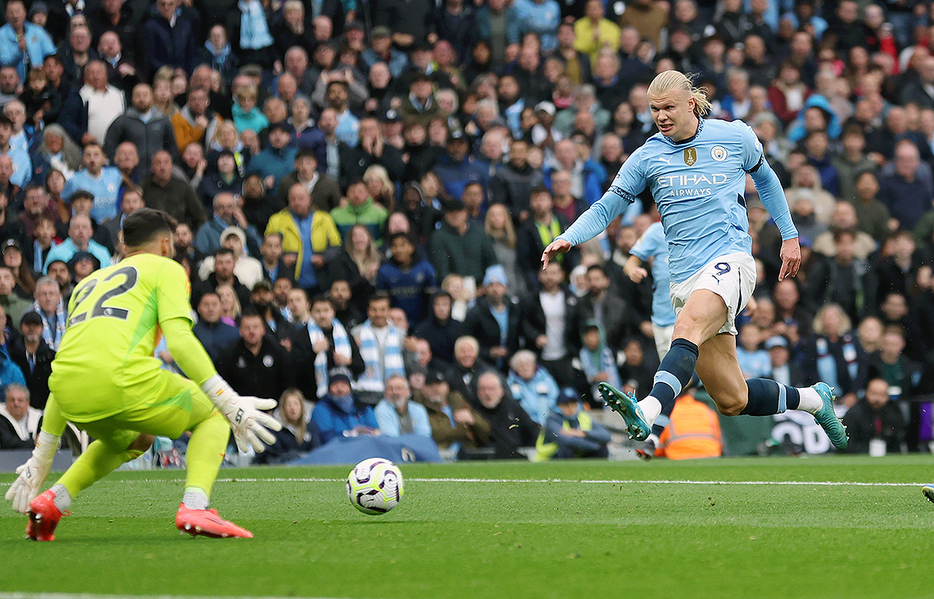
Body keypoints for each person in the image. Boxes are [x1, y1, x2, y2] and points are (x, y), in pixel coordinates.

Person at [541, 70, 848, 450]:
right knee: (733, 399)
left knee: (684, 327)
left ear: (691, 102)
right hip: (684, 279)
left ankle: (648, 410)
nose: (661, 116)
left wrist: (789, 235)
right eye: (655, 109)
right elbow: (606, 208)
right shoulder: (647, 156)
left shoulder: (734, 136)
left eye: (668, 107)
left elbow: (766, 180)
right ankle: (815, 399)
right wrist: (569, 236)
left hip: (730, 261)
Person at [4, 208, 281, 540]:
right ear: (165, 244)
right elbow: (179, 342)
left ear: (123, 244)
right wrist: (228, 400)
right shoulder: (167, 268)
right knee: (214, 414)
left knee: (138, 439)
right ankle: (195, 506)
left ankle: (53, 500)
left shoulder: (87, 283)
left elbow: (71, 364)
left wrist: (41, 455)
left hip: (67, 394)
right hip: (121, 381)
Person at [533, 387, 611, 461]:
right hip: (547, 459)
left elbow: (606, 435)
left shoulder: (582, 417)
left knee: (602, 450)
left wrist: (583, 433)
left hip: (577, 452)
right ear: (558, 406)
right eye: (566, 405)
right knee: (565, 449)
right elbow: (566, 440)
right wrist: (595, 446)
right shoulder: (552, 420)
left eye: (573, 404)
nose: (570, 408)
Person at [311, 367, 380, 443]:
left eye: (343, 385)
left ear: (350, 388)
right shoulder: (321, 409)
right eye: (335, 385)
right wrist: (351, 434)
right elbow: (326, 438)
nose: (339, 389)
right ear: (329, 389)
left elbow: (376, 432)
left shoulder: (364, 408)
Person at [255, 388, 321, 464]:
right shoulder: (273, 427)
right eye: (289, 405)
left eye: (296, 403)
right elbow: (270, 456)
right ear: (283, 407)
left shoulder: (311, 425)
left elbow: (316, 451)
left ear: (302, 406)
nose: (293, 408)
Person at [842, 377, 906, 454]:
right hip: (859, 455)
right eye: (874, 393)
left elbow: (898, 441)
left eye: (882, 395)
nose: (877, 399)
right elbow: (847, 443)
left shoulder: (894, 412)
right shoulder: (854, 413)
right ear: (866, 393)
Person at [10, 310, 54, 409]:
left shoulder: (51, 357)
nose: (31, 328)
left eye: (36, 325)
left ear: (42, 329)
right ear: (21, 327)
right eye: (28, 324)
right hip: (16, 408)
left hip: (45, 409)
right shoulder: (12, 354)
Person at [0, 382, 40, 449]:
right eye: (12, 400)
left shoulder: (38, 417)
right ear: (6, 402)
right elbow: (8, 443)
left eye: (20, 400)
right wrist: (34, 443)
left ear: (28, 403)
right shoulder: (1, 418)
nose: (16, 404)